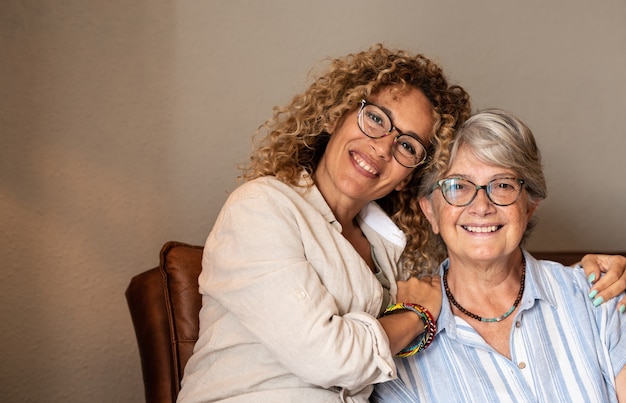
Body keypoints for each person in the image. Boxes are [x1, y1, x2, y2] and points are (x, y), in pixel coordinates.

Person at [178, 45, 626, 402]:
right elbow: (334, 358)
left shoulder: (390, 255)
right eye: (376, 119)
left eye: (407, 144)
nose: (381, 147)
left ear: (531, 204)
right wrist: (415, 315)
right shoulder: (261, 208)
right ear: (338, 113)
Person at [371, 109, 626, 402]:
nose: (481, 206)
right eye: (458, 186)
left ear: (529, 205)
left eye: (502, 185)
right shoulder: (400, 347)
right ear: (430, 211)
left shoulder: (601, 297)